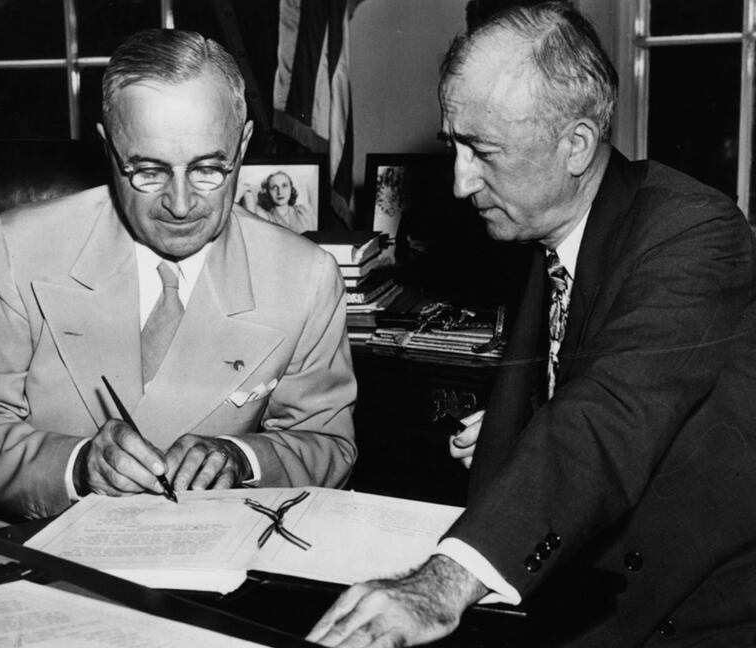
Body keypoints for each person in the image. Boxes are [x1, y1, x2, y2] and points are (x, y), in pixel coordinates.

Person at [308, 2, 756, 646]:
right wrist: (527, 421)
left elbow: (611, 414)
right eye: (454, 146)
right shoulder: (549, 229)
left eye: (482, 151)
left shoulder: (694, 230)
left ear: (575, 145)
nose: (461, 183)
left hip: (695, 611)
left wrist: (443, 585)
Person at [0, 29, 356, 528]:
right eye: (148, 171)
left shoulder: (306, 277)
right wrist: (77, 467)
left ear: (244, 143)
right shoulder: (14, 249)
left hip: (202, 549)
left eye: (210, 168)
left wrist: (241, 459)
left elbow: (326, 443)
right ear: (108, 148)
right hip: (31, 543)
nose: (182, 205)